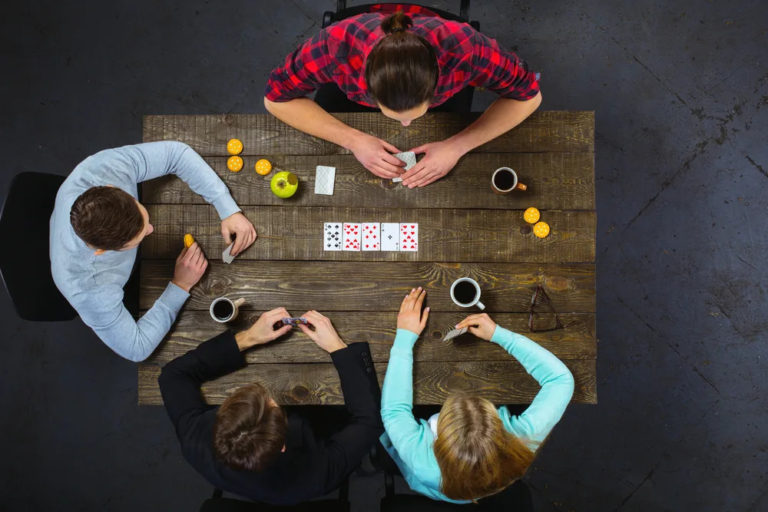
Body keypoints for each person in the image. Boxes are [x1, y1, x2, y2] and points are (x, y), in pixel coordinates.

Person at [264, 8, 542, 188]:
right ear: (367, 87)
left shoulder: (465, 47)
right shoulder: (336, 45)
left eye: (415, 113)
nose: (405, 125)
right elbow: (275, 98)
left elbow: (529, 96)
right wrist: (353, 140)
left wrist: (457, 146)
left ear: (438, 81)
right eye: (397, 115)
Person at [50, 141, 257, 362]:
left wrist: (227, 208)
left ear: (114, 188)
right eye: (139, 237)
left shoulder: (104, 168)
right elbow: (136, 348)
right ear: (102, 252)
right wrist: (180, 285)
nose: (151, 229)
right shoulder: (87, 290)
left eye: (144, 218)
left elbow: (176, 154)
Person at [158, 308, 383, 505]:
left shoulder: (195, 441)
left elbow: (172, 376)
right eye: (271, 404)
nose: (268, 395)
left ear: (222, 416)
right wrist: (337, 347)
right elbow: (369, 421)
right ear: (283, 445)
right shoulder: (317, 474)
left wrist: (248, 338)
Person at [380, 287, 574, 503]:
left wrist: (405, 337)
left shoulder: (420, 459)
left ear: (437, 434)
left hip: (432, 486)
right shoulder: (520, 441)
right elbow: (560, 380)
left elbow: (393, 411)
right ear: (499, 425)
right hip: (487, 490)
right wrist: (499, 336)